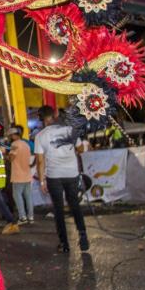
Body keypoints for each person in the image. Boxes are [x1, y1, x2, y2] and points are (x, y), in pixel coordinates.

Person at [35, 105, 89, 253]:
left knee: (58, 210)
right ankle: (83, 234)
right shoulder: (70, 130)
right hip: (71, 173)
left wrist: (41, 181)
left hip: (54, 176)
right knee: (75, 205)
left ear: (41, 120)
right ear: (55, 115)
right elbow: (80, 149)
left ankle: (64, 244)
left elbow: (40, 161)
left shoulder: (40, 136)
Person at [7, 125, 34, 224]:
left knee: (18, 197)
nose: (10, 137)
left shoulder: (15, 144)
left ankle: (22, 217)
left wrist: (7, 156)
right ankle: (30, 217)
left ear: (14, 135)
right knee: (28, 196)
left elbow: (11, 158)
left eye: (11, 135)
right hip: (27, 174)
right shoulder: (26, 144)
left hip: (18, 176)